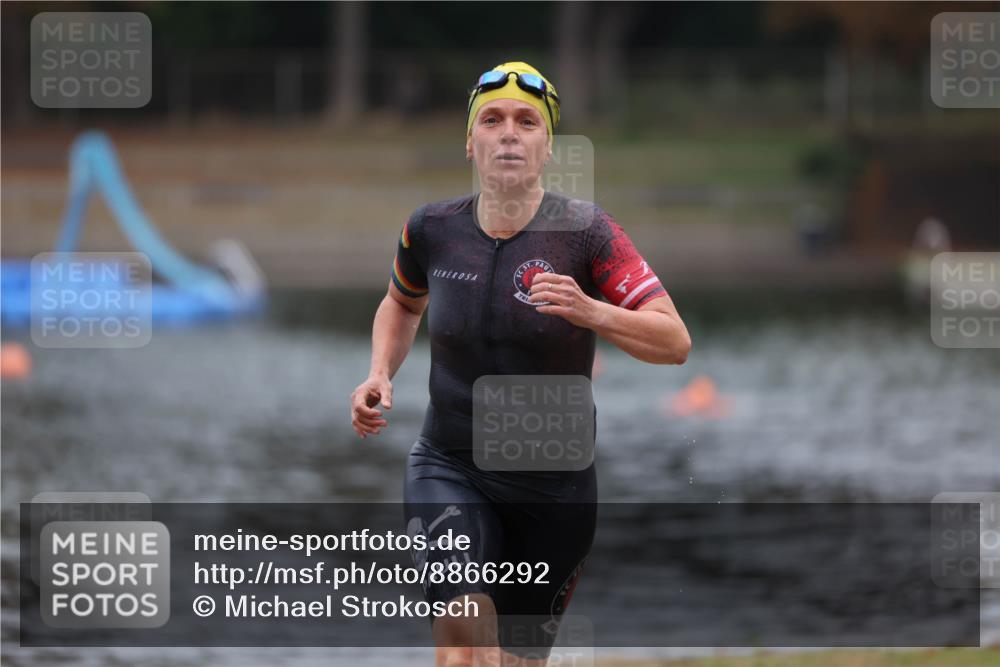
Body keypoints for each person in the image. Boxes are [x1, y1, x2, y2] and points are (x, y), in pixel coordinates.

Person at [350, 61, 691, 667]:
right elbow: (400, 305)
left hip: (554, 486)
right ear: (470, 141)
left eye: (527, 121)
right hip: (449, 465)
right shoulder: (431, 229)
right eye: (493, 119)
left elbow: (674, 341)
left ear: (547, 146)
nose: (509, 132)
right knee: (465, 647)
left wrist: (593, 312)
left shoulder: (588, 233)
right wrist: (380, 373)